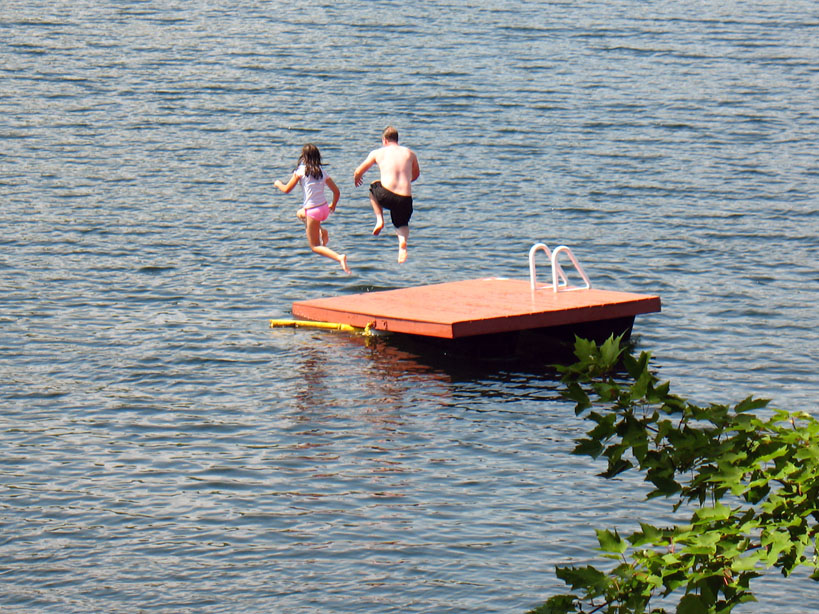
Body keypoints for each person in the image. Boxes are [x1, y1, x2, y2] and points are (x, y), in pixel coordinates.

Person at [274, 144, 351, 274]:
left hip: (313, 211)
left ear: (304, 157)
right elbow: (337, 192)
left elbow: (287, 189)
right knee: (300, 214)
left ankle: (339, 257)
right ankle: (322, 231)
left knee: (315, 246)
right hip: (324, 209)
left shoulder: (300, 171)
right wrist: (333, 205)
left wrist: (278, 184)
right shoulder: (322, 171)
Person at [353, 126, 420, 263]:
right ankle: (402, 245)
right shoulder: (410, 153)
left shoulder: (378, 153)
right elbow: (416, 174)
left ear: (384, 140)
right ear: (397, 139)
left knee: (373, 186)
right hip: (405, 199)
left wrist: (357, 178)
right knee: (402, 224)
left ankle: (379, 220)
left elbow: (358, 171)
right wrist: (408, 179)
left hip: (386, 196)